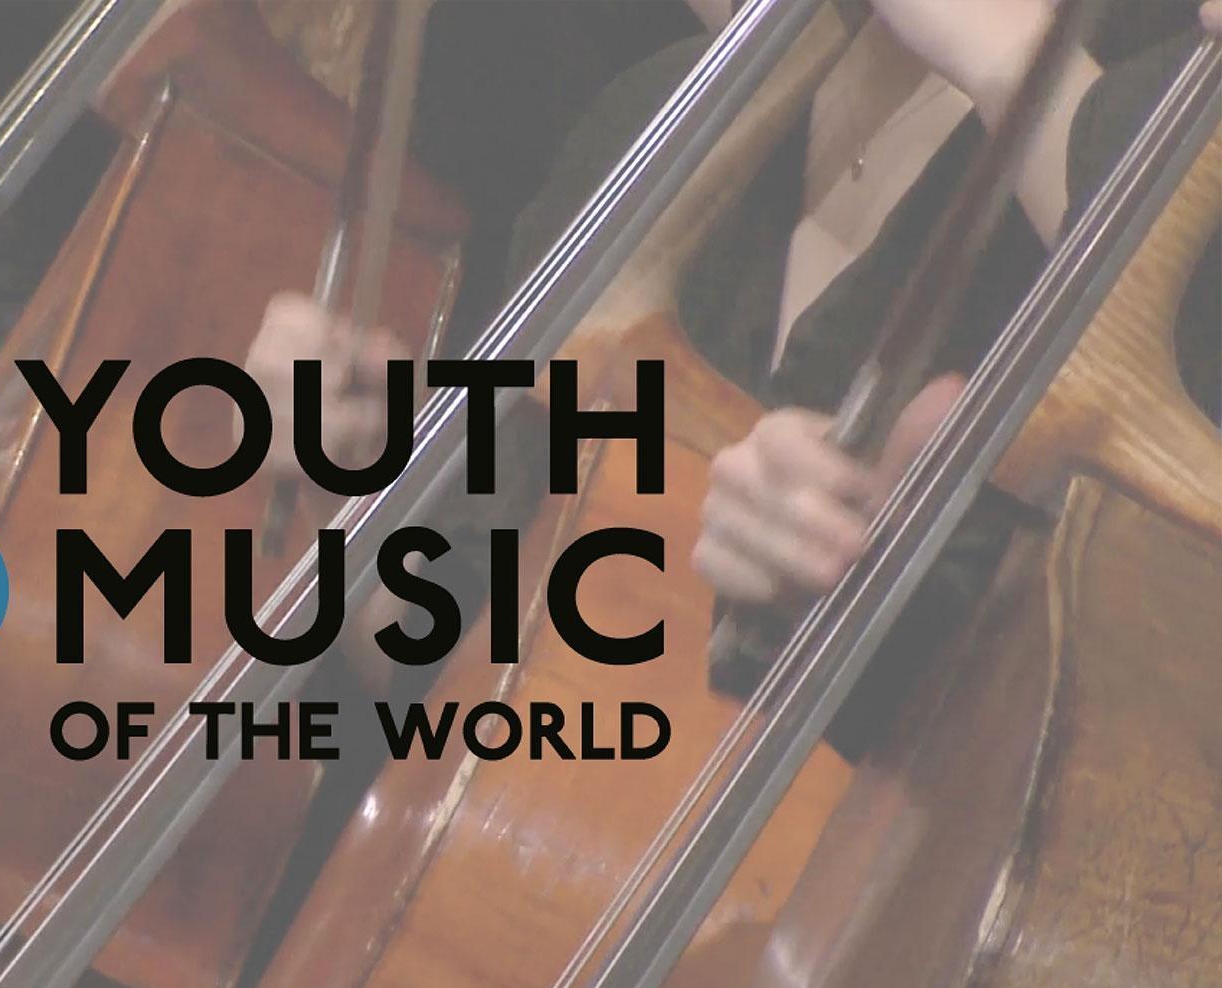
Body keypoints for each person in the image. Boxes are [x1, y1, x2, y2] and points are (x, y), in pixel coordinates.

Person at [242, 0, 1222, 755]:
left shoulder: (1175, 109)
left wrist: (1010, 62)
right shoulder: (665, 113)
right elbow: (435, 677)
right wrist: (359, 505)